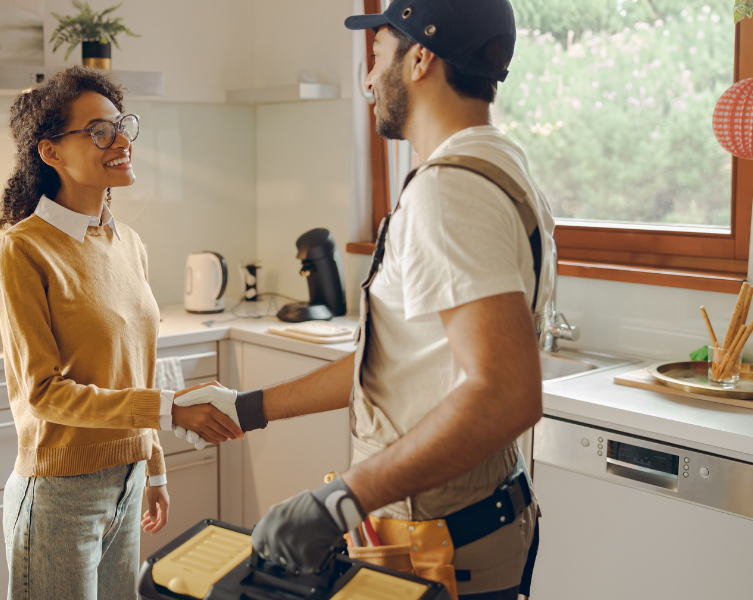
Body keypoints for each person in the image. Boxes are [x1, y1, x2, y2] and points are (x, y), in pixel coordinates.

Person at [181, 1, 556, 597]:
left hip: (445, 544)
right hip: (469, 522)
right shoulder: (500, 165)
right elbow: (404, 368)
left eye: (377, 56)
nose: (367, 79)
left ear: (421, 58)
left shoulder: (449, 192)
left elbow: (507, 393)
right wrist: (249, 407)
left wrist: (340, 501)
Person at [0, 66, 244, 600]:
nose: (122, 141)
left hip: (127, 484)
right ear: (51, 153)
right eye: (100, 131)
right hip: (58, 496)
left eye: (122, 126)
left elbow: (139, 366)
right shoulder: (23, 249)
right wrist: (169, 410)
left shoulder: (127, 242)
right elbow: (43, 394)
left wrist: (152, 469)